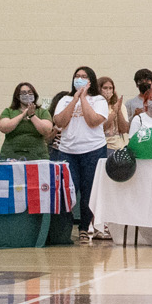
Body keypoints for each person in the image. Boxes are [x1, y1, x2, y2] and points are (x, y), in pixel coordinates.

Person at [52, 66, 109, 242]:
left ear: (91, 80)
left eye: (84, 76)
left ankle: (84, 228)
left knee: (89, 191)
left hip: (93, 150)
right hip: (68, 151)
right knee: (68, 191)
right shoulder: (65, 99)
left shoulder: (99, 100)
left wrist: (83, 98)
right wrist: (75, 98)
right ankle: (64, 231)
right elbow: (59, 122)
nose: (80, 79)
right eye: (77, 76)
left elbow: (93, 121)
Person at [0, 83, 54, 161]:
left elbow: (46, 130)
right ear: (17, 96)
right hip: (11, 155)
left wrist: (32, 116)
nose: (27, 95)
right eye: (24, 93)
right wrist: (23, 114)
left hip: (37, 156)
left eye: (30, 92)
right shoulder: (8, 111)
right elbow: (3, 127)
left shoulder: (42, 112)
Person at [97, 77, 130, 149]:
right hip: (103, 147)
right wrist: (113, 113)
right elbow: (101, 129)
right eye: (105, 88)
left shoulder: (120, 105)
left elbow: (124, 129)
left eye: (110, 88)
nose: (108, 91)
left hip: (120, 147)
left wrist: (118, 111)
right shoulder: (95, 106)